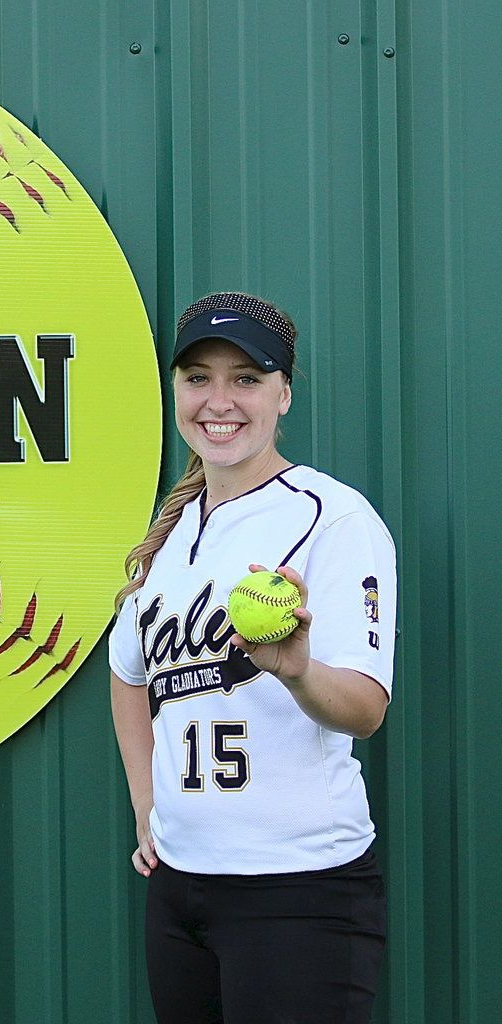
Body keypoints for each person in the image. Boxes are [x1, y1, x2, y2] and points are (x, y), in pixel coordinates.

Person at [108, 292, 396, 1023]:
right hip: (180, 892)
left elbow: (364, 711)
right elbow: (128, 674)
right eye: (198, 377)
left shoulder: (331, 517)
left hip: (298, 890)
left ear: (284, 393)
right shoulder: (168, 537)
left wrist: (298, 670)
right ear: (174, 388)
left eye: (246, 378)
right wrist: (149, 806)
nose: (219, 401)